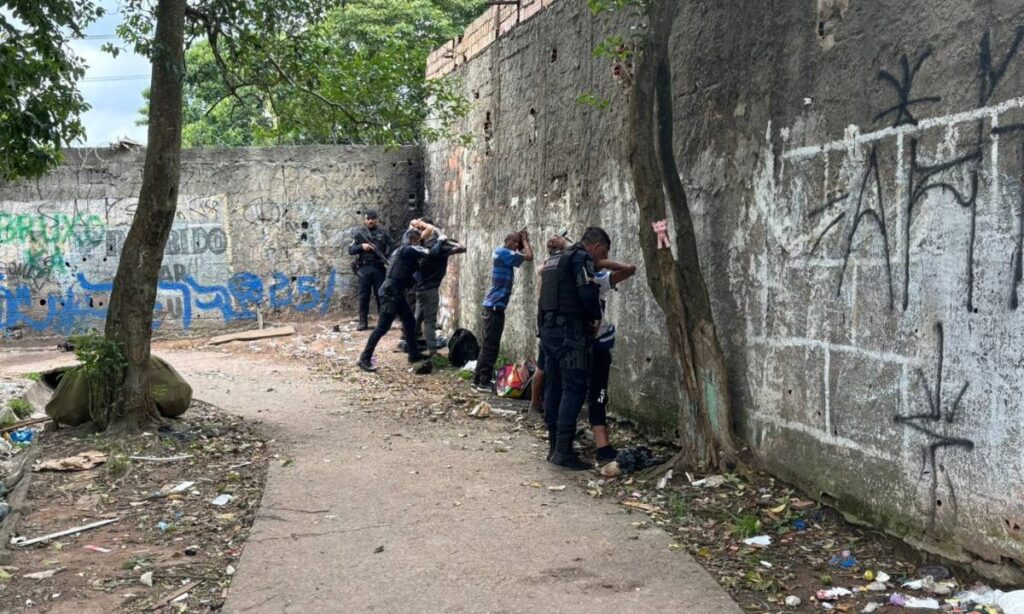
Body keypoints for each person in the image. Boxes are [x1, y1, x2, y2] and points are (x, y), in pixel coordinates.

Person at [537, 227, 607, 470]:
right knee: (574, 389)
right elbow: (587, 293)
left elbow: (542, 299)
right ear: (596, 247)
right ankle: (564, 451)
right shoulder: (580, 258)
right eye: (602, 253)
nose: (600, 259)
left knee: (553, 387)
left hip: (548, 332)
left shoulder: (553, 260)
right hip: (570, 333)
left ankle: (554, 445)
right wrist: (595, 318)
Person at [356, 220, 443, 372]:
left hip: (396, 292)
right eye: (419, 241)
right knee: (382, 328)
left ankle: (414, 354)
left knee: (409, 322)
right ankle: (364, 358)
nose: (421, 243)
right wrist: (441, 240)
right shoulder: (409, 250)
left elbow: (416, 240)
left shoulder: (402, 248)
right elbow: (432, 253)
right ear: (414, 241)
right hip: (391, 294)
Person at [587, 256, 636, 460]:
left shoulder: (560, 274)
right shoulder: (598, 279)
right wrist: (602, 262)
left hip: (570, 345)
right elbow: (629, 268)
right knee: (598, 394)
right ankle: (602, 445)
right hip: (597, 346)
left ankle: (561, 445)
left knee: (572, 392)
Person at [472, 230, 533, 392]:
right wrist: (525, 241)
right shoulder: (505, 253)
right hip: (495, 308)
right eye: (516, 244)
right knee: (491, 346)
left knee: (487, 345)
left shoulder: (501, 253)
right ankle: (484, 382)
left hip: (491, 306)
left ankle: (477, 379)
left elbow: (519, 256)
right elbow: (529, 256)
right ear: (512, 242)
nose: (517, 247)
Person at [414, 232, 466, 357]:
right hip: (430, 290)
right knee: (429, 321)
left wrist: (441, 241)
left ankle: (412, 344)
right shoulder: (440, 252)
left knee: (417, 318)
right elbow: (462, 247)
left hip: (420, 289)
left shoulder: (423, 251)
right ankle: (432, 351)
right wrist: (445, 241)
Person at [349, 210, 394, 331]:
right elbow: (351, 250)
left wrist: (387, 257)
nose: (370, 221)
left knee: (381, 295)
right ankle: (363, 322)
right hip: (364, 269)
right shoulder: (359, 234)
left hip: (379, 268)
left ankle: (382, 322)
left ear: (377, 220)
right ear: (364, 220)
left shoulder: (383, 233)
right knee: (364, 296)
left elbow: (393, 247)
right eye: (368, 219)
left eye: (373, 218)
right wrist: (361, 247)